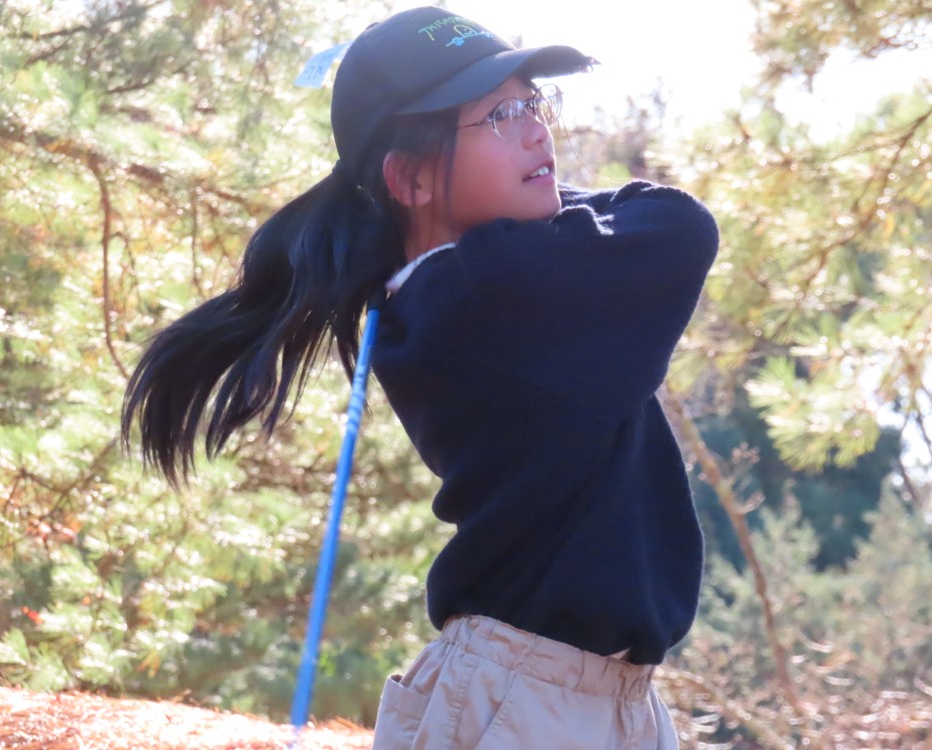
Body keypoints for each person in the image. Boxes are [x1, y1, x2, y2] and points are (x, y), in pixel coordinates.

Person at [122, 5, 719, 749]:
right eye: (499, 115)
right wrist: (534, 208)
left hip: (578, 697)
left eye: (534, 102)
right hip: (528, 703)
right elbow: (677, 225)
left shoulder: (455, 286)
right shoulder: (485, 293)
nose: (537, 131)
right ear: (408, 177)